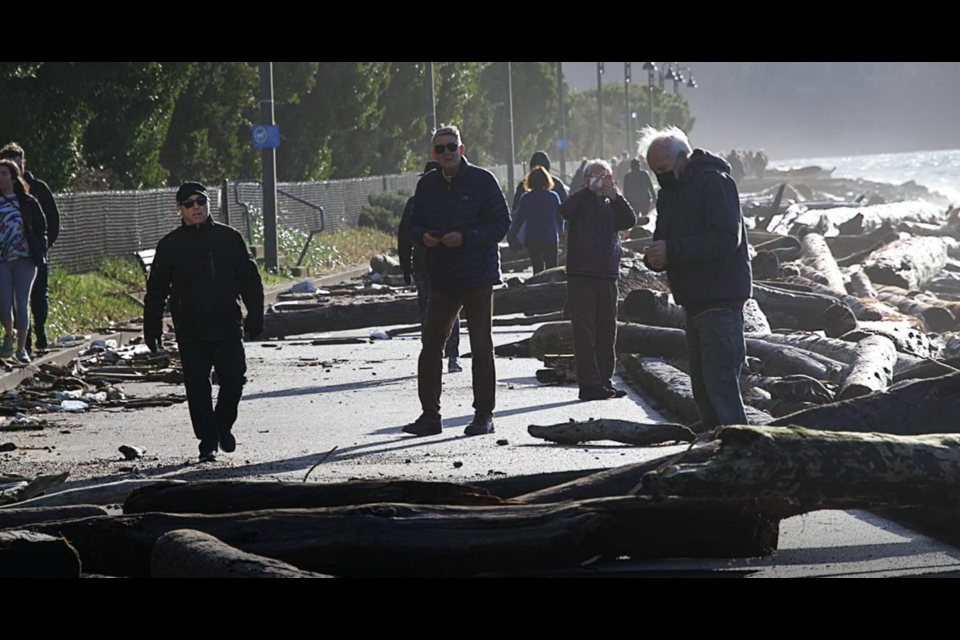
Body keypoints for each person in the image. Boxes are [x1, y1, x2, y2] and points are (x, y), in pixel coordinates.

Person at [143, 182, 264, 463]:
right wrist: (152, 326)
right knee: (197, 386)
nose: (196, 207)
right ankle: (207, 441)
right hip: (191, 328)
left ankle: (223, 425)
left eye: (201, 201)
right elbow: (157, 290)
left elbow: (249, 280)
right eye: (189, 203)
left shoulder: (228, 238)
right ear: (180, 210)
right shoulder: (170, 245)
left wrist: (255, 315)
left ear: (209, 204)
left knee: (234, 380)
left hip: (226, 324)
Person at [640, 126, 752, 429]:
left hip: (721, 296)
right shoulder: (669, 194)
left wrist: (672, 251)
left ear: (683, 158)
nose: (659, 176)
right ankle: (712, 445)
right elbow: (664, 239)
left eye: (662, 169)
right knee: (702, 385)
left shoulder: (716, 182)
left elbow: (727, 238)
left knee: (721, 383)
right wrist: (655, 257)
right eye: (654, 171)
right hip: (692, 299)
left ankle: (738, 446)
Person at [404, 126, 511, 437]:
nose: (447, 153)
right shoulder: (426, 186)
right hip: (442, 277)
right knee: (430, 347)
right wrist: (422, 238)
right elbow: (414, 225)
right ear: (433, 154)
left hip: (478, 275)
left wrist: (466, 238)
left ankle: (484, 415)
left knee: (481, 347)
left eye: (452, 146)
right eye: (441, 149)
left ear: (462, 149)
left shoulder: (483, 180)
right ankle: (430, 416)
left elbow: (502, 223)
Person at [559, 159, 637, 402]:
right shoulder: (580, 200)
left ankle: (605, 381)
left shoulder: (612, 202)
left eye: (606, 176)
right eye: (596, 176)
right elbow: (565, 211)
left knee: (607, 331)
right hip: (581, 273)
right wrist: (588, 190)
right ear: (585, 180)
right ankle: (589, 384)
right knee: (584, 331)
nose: (602, 180)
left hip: (607, 273)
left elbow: (629, 221)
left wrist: (616, 196)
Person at [398, 161, 462, 374]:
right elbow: (406, 235)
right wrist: (406, 265)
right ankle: (447, 356)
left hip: (432, 265)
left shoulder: (416, 202)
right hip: (433, 265)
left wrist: (405, 265)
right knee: (450, 311)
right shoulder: (446, 201)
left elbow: (404, 236)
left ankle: (437, 355)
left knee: (428, 311)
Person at [0, 143, 60, 353]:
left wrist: (41, 247)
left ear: (22, 165)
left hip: (30, 256)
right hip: (4, 259)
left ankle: (35, 337)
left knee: (35, 299)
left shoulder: (36, 192)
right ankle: (18, 339)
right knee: (8, 303)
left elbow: (49, 221)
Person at [0, 160, 46, 364]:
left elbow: (40, 227)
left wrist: (39, 249)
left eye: (3, 174)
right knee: (4, 304)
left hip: (25, 259)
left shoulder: (27, 202)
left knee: (21, 303)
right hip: (2, 260)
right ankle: (9, 335)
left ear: (12, 177)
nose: (0, 178)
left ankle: (21, 349)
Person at [508, 167, 562, 274]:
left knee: (537, 267)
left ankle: (538, 287)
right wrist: (561, 230)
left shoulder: (526, 198)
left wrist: (512, 237)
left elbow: (519, 219)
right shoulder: (553, 197)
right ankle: (552, 288)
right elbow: (559, 217)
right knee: (552, 268)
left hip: (532, 237)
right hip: (550, 236)